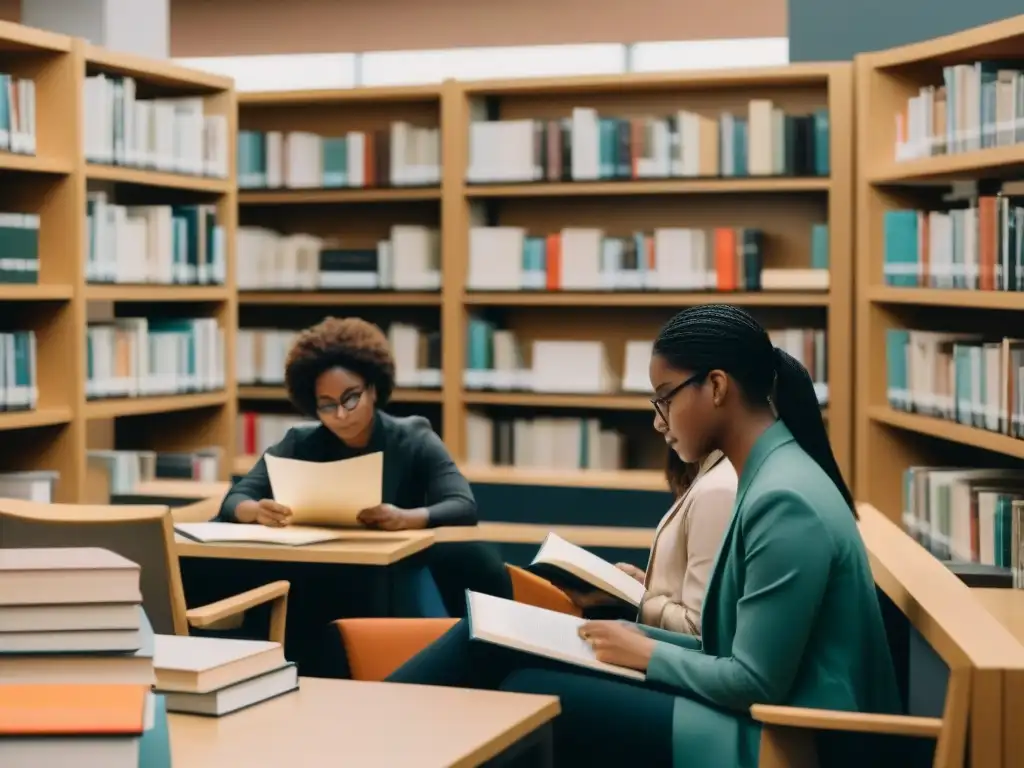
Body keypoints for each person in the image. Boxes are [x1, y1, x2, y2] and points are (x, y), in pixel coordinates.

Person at [385, 305, 902, 768]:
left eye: (665, 399)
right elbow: (730, 648)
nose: (660, 421)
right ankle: (366, 729)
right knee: (487, 637)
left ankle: (368, 731)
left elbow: (755, 681)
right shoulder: (772, 475)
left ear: (717, 387)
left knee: (528, 690)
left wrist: (646, 651)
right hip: (762, 715)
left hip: (783, 738)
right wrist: (642, 637)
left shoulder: (783, 498)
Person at [218, 316, 512, 618]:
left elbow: (463, 506)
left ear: (372, 389)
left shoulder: (413, 437)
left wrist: (405, 518)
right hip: (319, 570)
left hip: (389, 572)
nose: (341, 415)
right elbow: (234, 500)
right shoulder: (299, 442)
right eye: (327, 405)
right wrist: (255, 511)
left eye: (351, 398)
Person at [569, 437, 736, 638]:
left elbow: (698, 629)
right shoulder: (711, 478)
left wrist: (635, 599)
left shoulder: (716, 490)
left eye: (665, 404)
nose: (659, 423)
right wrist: (643, 586)